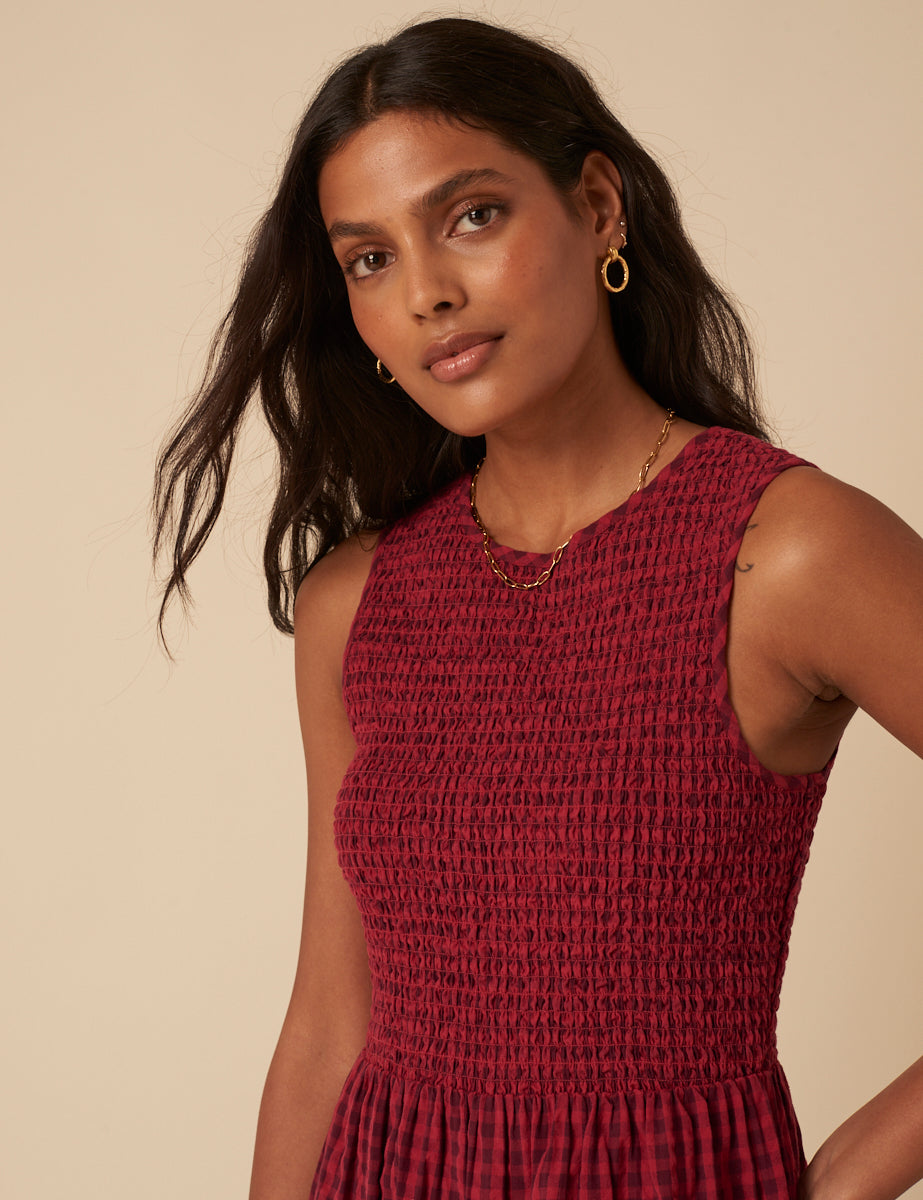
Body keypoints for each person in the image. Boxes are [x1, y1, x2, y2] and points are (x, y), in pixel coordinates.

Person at [152, 16, 923, 1200]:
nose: (426, 292)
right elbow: (327, 1022)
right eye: (369, 259)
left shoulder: (783, 550)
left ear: (599, 208)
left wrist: (841, 1184)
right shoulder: (356, 599)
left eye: (471, 215)